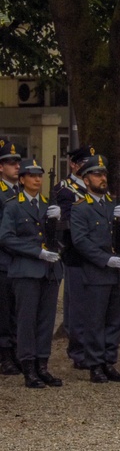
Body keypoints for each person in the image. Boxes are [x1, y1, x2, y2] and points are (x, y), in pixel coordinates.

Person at [0, 157, 65, 388]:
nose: (37, 180)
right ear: (22, 179)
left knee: (46, 320)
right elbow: (6, 238)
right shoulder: (13, 205)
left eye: (39, 176)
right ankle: (28, 366)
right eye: (32, 175)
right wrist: (36, 252)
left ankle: (42, 365)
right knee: (26, 320)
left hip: (49, 271)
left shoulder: (48, 205)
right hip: (26, 269)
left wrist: (58, 222)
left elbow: (58, 240)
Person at [69, 155, 120, 383]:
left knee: (115, 321)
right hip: (97, 272)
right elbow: (81, 241)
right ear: (86, 180)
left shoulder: (114, 204)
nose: (102, 178)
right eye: (97, 175)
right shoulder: (81, 208)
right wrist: (105, 259)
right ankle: (94, 364)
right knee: (95, 321)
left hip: (118, 273)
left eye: (104, 174)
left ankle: (109, 361)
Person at [55, 145, 95, 370]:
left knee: (94, 306)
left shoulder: (96, 188)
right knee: (77, 306)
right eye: (83, 163)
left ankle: (92, 348)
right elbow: (69, 222)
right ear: (73, 165)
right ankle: (78, 351)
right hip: (75, 254)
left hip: (96, 256)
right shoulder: (65, 189)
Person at [0, 138, 22, 375]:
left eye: (17, 162)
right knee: (4, 311)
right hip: (3, 259)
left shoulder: (22, 192)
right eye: (10, 162)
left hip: (19, 259)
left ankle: (16, 351)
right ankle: (5, 354)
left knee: (17, 310)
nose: (16, 166)